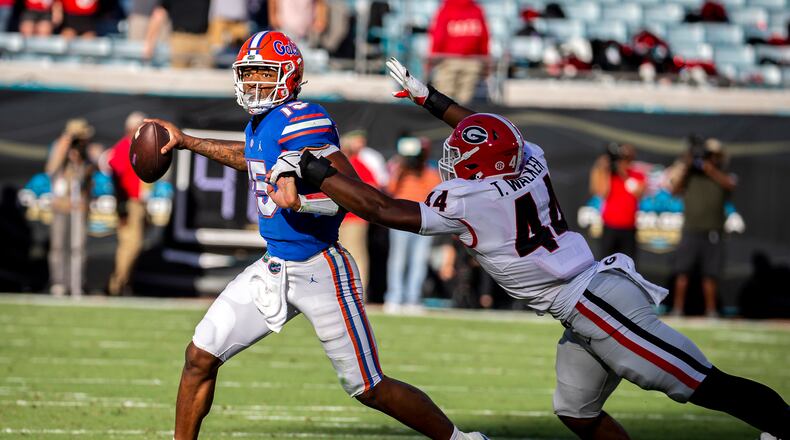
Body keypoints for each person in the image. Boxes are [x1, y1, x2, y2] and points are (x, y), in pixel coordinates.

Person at [266, 57, 789, 440]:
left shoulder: (472, 199)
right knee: (576, 411)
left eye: (462, 159)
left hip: (595, 304)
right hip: (586, 297)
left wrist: (314, 169)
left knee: (701, 384)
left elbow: (382, 209)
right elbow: (487, 131)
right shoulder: (525, 155)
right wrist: (430, 99)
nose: (454, 161)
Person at [150, 32, 486, 440]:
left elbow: (349, 197)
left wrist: (301, 205)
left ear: (289, 76)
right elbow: (252, 157)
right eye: (248, 73)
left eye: (263, 73)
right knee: (199, 357)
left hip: (320, 268)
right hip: (273, 267)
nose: (254, 83)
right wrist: (189, 142)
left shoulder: (303, 119)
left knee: (369, 386)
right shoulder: (261, 123)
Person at [669, 138, 737, 318]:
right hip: (691, 229)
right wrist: (687, 166)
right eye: (709, 155)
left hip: (712, 231)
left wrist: (711, 170)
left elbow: (730, 184)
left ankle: (711, 310)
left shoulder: (722, 174)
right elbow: (674, 190)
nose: (711, 158)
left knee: (710, 274)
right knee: (682, 272)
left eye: (714, 155)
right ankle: (677, 309)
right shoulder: (691, 175)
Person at [384, 136, 441, 314]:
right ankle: (394, 297)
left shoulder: (429, 173)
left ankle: (412, 298)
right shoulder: (400, 171)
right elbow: (390, 189)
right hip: (399, 222)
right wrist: (401, 167)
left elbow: (436, 194)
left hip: (421, 222)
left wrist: (419, 169)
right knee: (397, 260)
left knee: (419, 261)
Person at [44, 118, 96, 298]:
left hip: (78, 206)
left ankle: (76, 284)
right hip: (61, 204)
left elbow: (88, 177)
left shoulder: (85, 152)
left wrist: (82, 158)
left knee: (78, 247)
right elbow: (50, 170)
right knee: (58, 246)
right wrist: (64, 147)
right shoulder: (58, 147)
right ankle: (58, 283)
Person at [337, 128, 388, 294]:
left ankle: (359, 292)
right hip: (340, 217)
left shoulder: (358, 164)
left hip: (354, 218)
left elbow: (373, 187)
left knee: (355, 254)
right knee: (343, 255)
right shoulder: (339, 163)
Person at [107, 111, 147, 296]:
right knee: (130, 245)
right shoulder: (124, 147)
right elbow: (115, 179)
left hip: (136, 202)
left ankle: (125, 282)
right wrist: (121, 208)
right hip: (129, 203)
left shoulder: (136, 147)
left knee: (133, 245)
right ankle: (118, 283)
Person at [589, 143, 646, 260]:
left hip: (629, 228)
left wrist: (623, 174)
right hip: (610, 227)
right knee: (606, 263)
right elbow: (601, 192)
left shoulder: (636, 175)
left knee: (628, 266)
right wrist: (603, 169)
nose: (622, 162)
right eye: (620, 159)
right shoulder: (609, 175)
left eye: (626, 158)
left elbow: (639, 192)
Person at [428, 0, 490, 104]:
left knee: (443, 102)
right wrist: (485, 57)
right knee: (464, 103)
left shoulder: (446, 8)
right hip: (472, 61)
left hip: (448, 61)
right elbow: (484, 37)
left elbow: (439, 36)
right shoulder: (477, 9)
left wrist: (433, 55)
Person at [143, 0, 212, 68]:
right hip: (180, 39)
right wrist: (149, 42)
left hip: (203, 40)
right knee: (178, 76)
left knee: (206, 76)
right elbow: (159, 14)